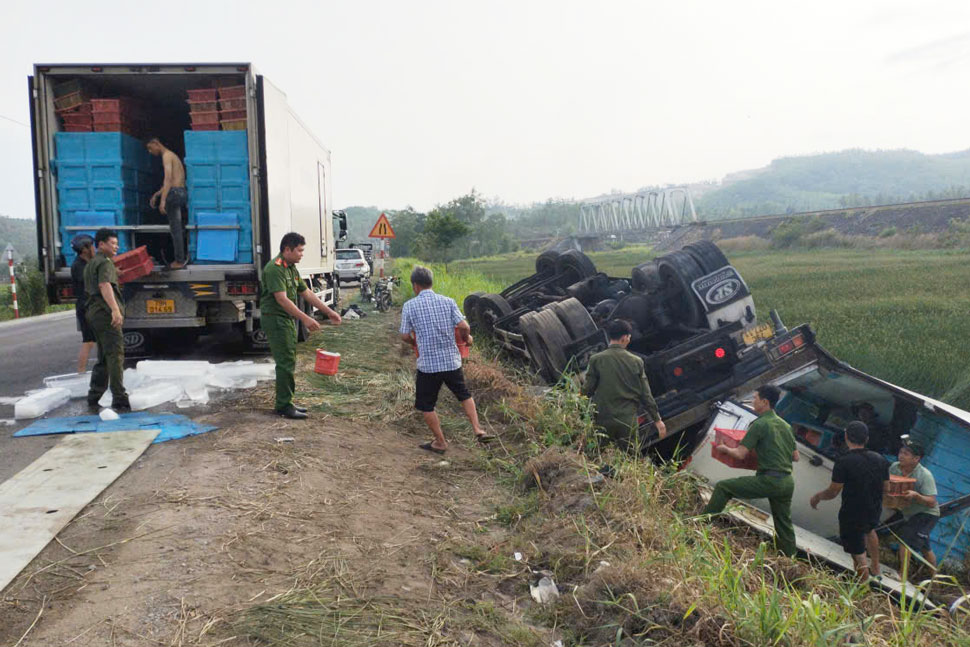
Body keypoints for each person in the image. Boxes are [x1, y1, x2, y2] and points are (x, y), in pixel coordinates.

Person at [399, 266, 490, 454]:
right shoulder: (447, 302)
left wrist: (414, 343)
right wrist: (467, 339)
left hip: (428, 365)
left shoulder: (410, 306)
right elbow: (464, 326)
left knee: (426, 405)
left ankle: (440, 442)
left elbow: (404, 336)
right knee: (464, 394)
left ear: (415, 286)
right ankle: (477, 429)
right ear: (431, 283)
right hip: (451, 361)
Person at [703, 384, 800, 557]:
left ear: (764, 402)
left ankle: (700, 525)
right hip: (787, 482)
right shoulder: (785, 426)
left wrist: (724, 449)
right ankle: (789, 559)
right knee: (783, 522)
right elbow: (795, 457)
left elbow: (740, 454)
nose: (753, 401)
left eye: (755, 398)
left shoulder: (760, 424)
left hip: (770, 480)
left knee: (723, 487)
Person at [259, 232, 342, 419]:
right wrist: (306, 319)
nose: (301, 254)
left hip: (286, 320)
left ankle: (287, 401)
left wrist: (328, 312)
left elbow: (307, 294)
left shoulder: (290, 268)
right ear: (287, 249)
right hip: (276, 319)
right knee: (285, 362)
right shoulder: (275, 269)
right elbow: (282, 299)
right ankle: (283, 406)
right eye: (299, 250)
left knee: (289, 360)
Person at [810, 421, 890, 578]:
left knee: (858, 554)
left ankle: (862, 588)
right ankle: (876, 567)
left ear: (846, 437)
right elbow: (886, 488)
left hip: (852, 512)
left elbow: (833, 491)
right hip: (873, 508)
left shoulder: (844, 461)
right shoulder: (880, 459)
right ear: (866, 439)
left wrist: (817, 497)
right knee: (870, 530)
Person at [581, 319, 666, 451]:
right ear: (625, 337)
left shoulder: (596, 360)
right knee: (631, 459)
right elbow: (646, 394)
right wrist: (657, 420)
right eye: (629, 336)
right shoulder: (636, 361)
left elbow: (587, 391)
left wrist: (577, 409)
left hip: (603, 420)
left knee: (599, 458)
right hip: (627, 421)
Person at [84, 228, 130, 411]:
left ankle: (94, 395)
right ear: (101, 244)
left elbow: (100, 281)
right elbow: (104, 285)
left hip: (94, 313)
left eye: (117, 243)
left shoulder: (93, 263)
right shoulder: (105, 263)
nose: (116, 246)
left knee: (104, 355)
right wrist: (115, 310)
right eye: (112, 243)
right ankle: (119, 398)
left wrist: (114, 273)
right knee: (115, 354)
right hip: (105, 313)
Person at [884, 438, 940, 574]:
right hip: (909, 512)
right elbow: (888, 485)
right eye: (901, 452)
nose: (901, 456)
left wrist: (916, 496)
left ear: (916, 459)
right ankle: (935, 579)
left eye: (906, 454)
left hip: (927, 514)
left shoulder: (925, 475)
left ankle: (902, 576)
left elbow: (932, 501)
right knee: (925, 548)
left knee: (905, 542)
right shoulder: (895, 467)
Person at [146, 137, 189, 270]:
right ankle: (181, 258)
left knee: (175, 230)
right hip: (181, 192)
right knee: (179, 228)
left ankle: (179, 261)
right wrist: (157, 194)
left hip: (174, 193)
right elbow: (175, 180)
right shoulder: (174, 156)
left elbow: (168, 179)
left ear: (156, 143)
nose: (150, 152)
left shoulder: (166, 156)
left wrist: (163, 200)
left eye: (150, 148)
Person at [70, 234, 96, 373]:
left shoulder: (87, 263)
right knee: (88, 342)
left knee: (95, 341)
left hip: (90, 307)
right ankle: (81, 371)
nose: (94, 249)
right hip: (86, 308)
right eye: (92, 246)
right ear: (85, 249)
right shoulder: (78, 266)